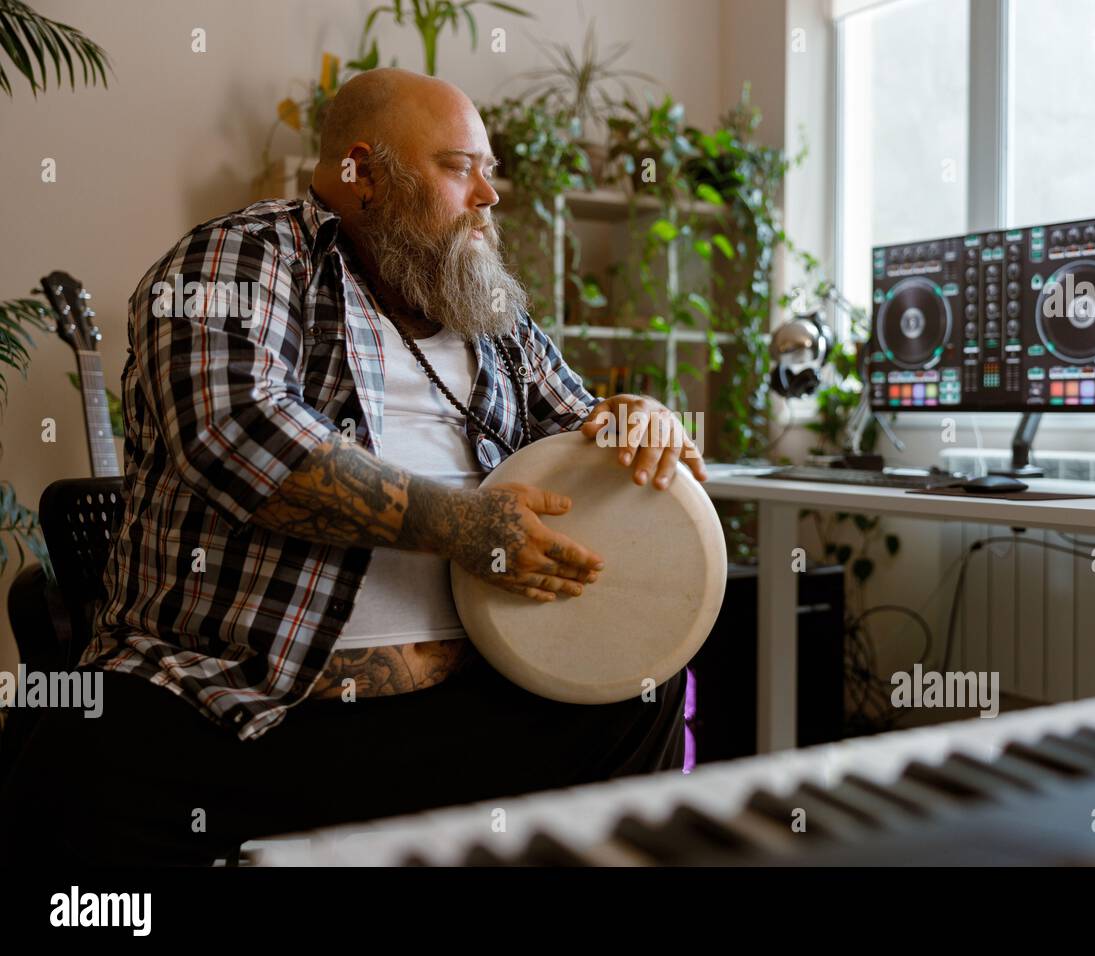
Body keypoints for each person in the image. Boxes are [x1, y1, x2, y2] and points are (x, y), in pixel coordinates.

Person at [0, 68, 707, 866]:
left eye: (490, 168)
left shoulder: (486, 307)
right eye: (458, 166)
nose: (489, 195)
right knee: (77, 764)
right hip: (241, 711)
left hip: (470, 705)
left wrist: (637, 419)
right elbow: (238, 431)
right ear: (360, 173)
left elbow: (581, 424)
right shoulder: (239, 256)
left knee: (643, 695)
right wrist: (466, 526)